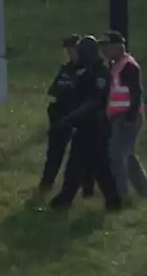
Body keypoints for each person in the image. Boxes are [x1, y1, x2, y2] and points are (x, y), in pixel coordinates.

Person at [49, 36, 122, 211]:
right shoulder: (85, 71)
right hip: (84, 127)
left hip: (96, 127)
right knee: (79, 166)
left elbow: (93, 101)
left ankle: (113, 201)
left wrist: (70, 119)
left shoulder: (101, 74)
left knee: (100, 168)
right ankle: (66, 198)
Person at [99, 30, 147, 201]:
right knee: (127, 155)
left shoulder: (128, 66)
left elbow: (136, 93)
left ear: (117, 47)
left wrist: (130, 117)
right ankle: (145, 190)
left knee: (116, 154)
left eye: (106, 46)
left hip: (127, 117)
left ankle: (120, 195)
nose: (104, 50)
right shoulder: (116, 65)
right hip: (119, 117)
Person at [40, 34, 94, 198]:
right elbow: (54, 89)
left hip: (81, 116)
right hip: (62, 115)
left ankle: (87, 190)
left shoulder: (90, 69)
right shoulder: (65, 68)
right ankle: (46, 184)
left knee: (83, 155)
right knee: (54, 152)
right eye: (68, 50)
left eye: (73, 49)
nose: (71, 53)